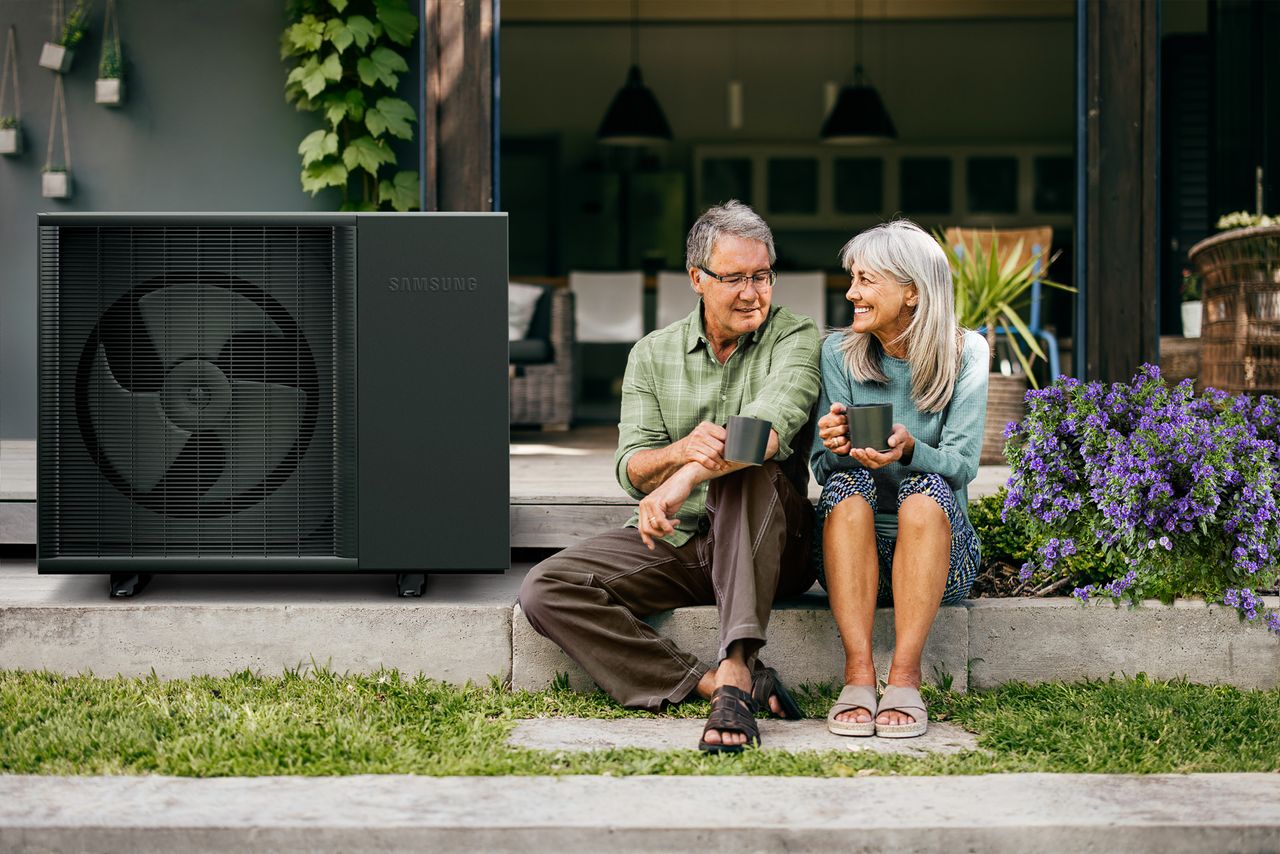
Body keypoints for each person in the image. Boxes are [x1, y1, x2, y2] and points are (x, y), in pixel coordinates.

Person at [519, 200, 821, 753]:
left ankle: (736, 664)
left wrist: (683, 477)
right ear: (696, 279)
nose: (753, 293)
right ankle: (712, 684)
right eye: (735, 278)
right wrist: (678, 452)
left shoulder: (795, 336)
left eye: (762, 275)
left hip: (773, 544)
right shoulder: (652, 354)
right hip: (686, 542)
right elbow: (631, 468)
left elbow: (768, 430)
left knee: (745, 472)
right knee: (545, 588)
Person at [811, 219, 988, 739]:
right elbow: (822, 471)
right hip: (852, 562)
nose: (851, 293)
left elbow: (961, 466)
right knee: (843, 489)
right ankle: (859, 674)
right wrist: (836, 447)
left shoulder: (967, 353)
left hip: (941, 560)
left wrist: (911, 452)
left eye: (866, 281)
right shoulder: (839, 353)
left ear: (912, 291)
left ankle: (905, 678)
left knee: (926, 489)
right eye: (853, 280)